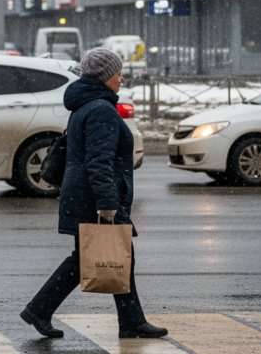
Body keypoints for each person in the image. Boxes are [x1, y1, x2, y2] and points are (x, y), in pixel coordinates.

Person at [21, 48, 167, 340]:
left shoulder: (85, 104)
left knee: (96, 257)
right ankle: (126, 321)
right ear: (104, 77)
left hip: (81, 192)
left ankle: (128, 320)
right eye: (118, 73)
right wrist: (107, 203)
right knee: (97, 257)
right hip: (93, 195)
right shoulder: (100, 108)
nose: (122, 79)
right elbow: (99, 161)